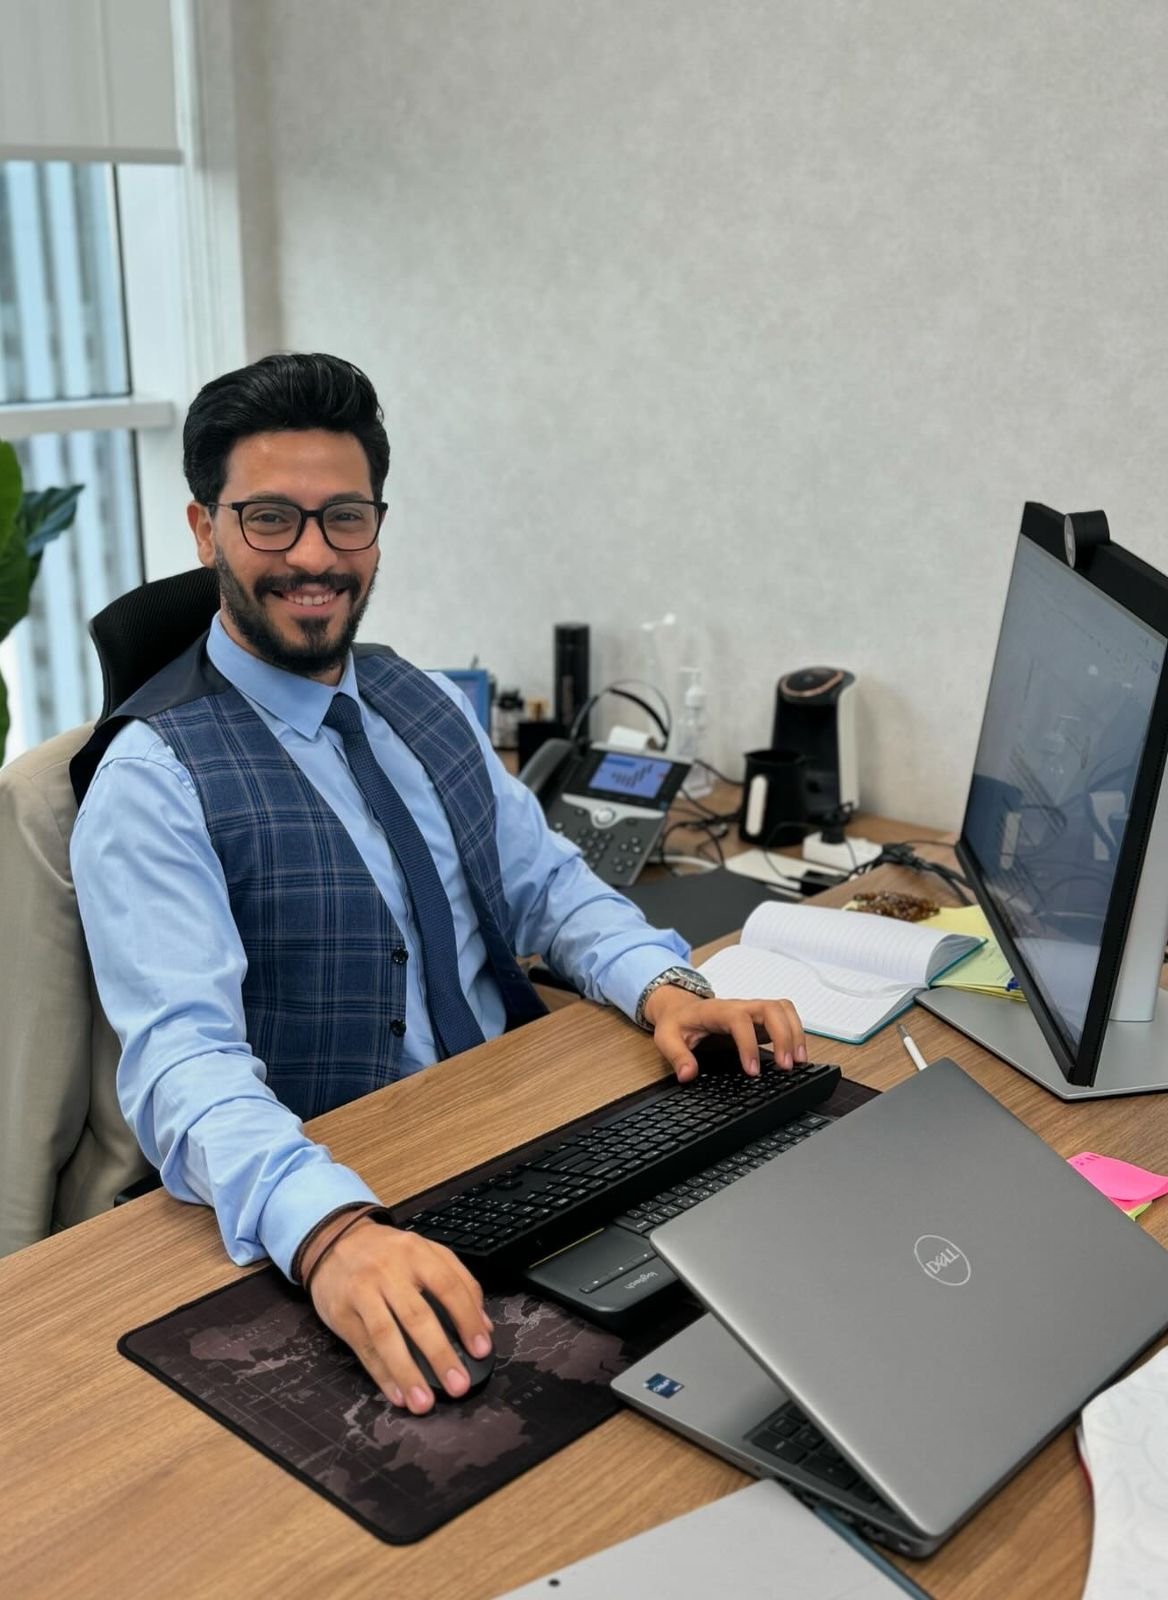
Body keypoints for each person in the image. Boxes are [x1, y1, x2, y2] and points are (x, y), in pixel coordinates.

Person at [70, 352, 806, 1415]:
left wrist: (668, 987)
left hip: (521, 1126)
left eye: (344, 518)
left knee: (751, 1302)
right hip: (346, 1180)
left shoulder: (419, 698)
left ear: (377, 526)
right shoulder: (153, 780)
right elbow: (183, 1065)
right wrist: (329, 1233)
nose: (313, 556)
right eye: (269, 519)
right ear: (204, 530)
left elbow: (550, 888)